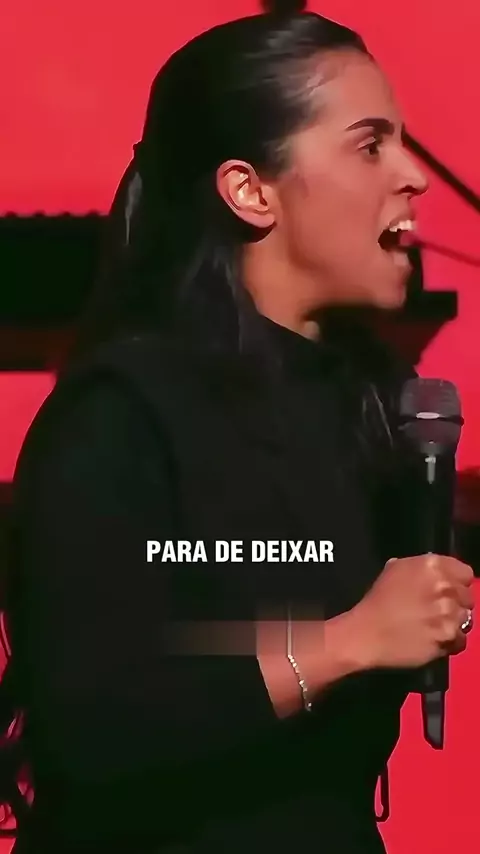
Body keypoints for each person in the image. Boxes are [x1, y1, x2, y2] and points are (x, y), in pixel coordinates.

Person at [1, 4, 475, 852]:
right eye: (370, 146)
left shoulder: (373, 406)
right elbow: (90, 724)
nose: (413, 176)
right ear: (251, 191)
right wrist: (347, 643)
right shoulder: (123, 415)